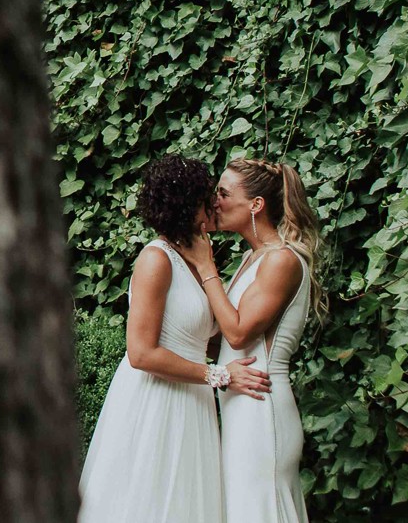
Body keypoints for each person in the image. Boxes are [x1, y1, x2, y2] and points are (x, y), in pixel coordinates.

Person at [80, 154, 270, 523]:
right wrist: (218, 375)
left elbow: (208, 333)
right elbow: (140, 353)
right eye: (206, 198)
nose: (214, 205)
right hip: (157, 400)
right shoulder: (157, 259)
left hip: (193, 403)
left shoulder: (198, 259)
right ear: (187, 206)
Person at [178, 158, 322, 523]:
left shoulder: (282, 261)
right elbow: (222, 339)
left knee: (261, 509)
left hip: (262, 406)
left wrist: (206, 266)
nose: (215, 202)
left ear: (256, 205)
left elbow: (240, 332)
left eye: (224, 194)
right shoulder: (253, 258)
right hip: (240, 403)